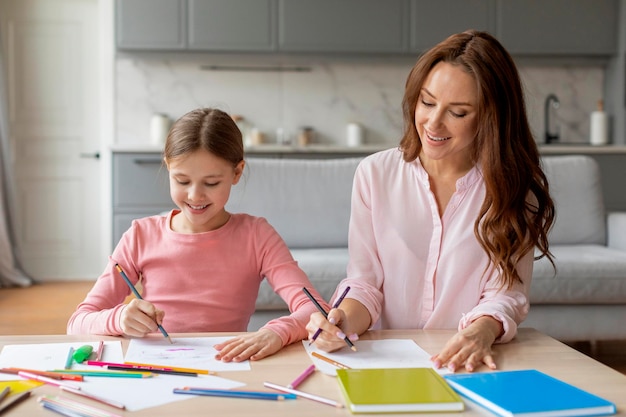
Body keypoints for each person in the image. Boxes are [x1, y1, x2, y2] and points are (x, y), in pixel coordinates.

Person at [306, 30, 555, 373]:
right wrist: (341, 321)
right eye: (427, 102)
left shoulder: (513, 189)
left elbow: (506, 294)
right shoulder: (374, 174)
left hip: (467, 360)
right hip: (383, 364)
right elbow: (365, 283)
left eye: (458, 112)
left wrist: (480, 332)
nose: (433, 123)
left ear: (490, 118)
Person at [68, 107, 329, 362]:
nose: (195, 196)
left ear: (237, 173)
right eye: (182, 181)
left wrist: (276, 332)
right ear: (167, 167)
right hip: (158, 367)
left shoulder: (257, 235)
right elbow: (78, 322)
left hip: (227, 365)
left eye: (211, 183)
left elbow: (315, 309)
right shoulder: (140, 235)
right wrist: (119, 318)